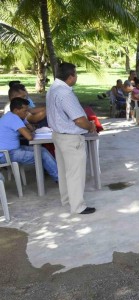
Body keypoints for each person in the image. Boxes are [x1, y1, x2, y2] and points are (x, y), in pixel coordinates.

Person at [46, 62, 97, 214]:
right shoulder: (65, 93)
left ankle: (67, 200)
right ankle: (78, 206)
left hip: (58, 135)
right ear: (70, 77)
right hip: (70, 138)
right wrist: (90, 126)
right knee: (75, 173)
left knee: (64, 171)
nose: (76, 77)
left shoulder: (53, 88)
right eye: (76, 74)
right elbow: (79, 120)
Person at [0, 98, 58, 182]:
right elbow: (29, 137)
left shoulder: (12, 116)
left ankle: (57, 175)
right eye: (25, 111)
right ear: (16, 110)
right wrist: (31, 132)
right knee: (41, 155)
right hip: (6, 154)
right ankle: (59, 178)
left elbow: (31, 130)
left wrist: (25, 121)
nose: (27, 113)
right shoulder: (13, 118)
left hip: (12, 150)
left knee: (42, 150)